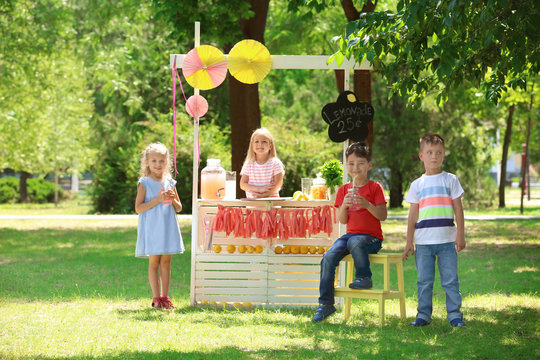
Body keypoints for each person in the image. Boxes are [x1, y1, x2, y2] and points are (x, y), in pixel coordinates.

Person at [312, 142, 387, 323]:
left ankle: (364, 277)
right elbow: (343, 220)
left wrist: (367, 205)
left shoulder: (375, 187)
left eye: (361, 163)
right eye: (351, 163)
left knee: (356, 242)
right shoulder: (344, 190)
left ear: (369, 165)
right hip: (351, 236)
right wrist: (344, 205)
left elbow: (382, 215)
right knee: (329, 256)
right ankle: (326, 304)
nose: (356, 168)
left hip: (371, 238)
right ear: (346, 165)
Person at [402, 133, 466, 327]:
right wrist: (408, 242)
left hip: (447, 240)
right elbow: (412, 216)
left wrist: (460, 235)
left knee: (450, 281)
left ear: (444, 155)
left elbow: (458, 209)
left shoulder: (451, 180)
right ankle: (423, 315)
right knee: (424, 282)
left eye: (438, 153)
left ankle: (455, 315)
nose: (434, 157)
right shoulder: (417, 185)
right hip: (423, 243)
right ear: (421, 156)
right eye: (429, 152)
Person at [135, 142, 184, 310]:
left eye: (161, 161)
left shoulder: (170, 182)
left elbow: (179, 207)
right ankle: (156, 298)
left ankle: (165, 297)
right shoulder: (145, 182)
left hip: (168, 226)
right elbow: (138, 208)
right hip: (153, 228)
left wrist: (172, 199)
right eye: (154, 161)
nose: (158, 164)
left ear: (167, 162)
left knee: (166, 262)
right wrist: (158, 200)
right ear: (147, 162)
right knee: (154, 261)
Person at [240, 128, 285, 199]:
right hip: (253, 206)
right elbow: (243, 184)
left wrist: (263, 196)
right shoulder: (249, 164)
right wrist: (259, 189)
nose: (260, 144)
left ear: (270, 145)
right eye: (256, 141)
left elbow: (278, 184)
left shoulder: (275, 163)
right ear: (252, 145)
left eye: (264, 141)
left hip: (271, 205)